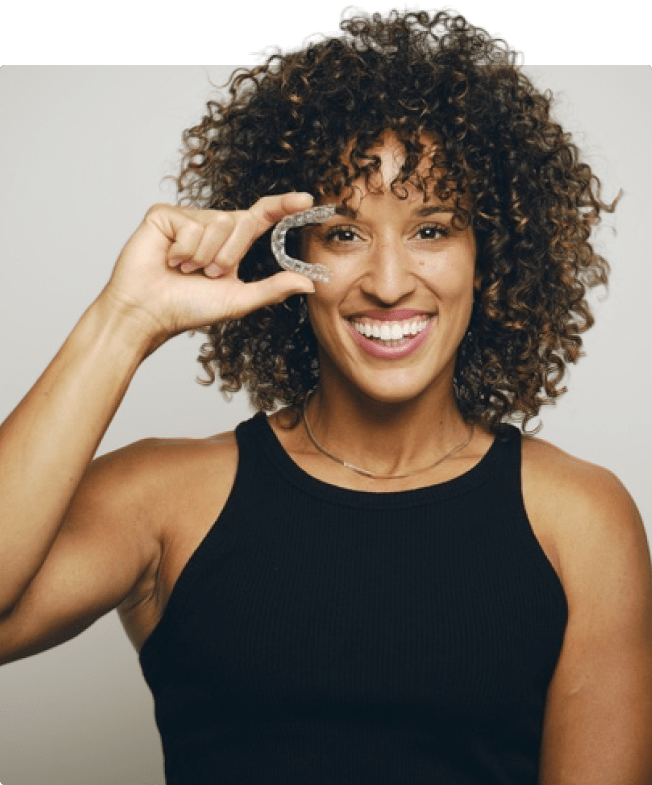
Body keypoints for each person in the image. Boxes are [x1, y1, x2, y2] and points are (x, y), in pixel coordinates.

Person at [1, 17, 651, 785]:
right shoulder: (168, 500)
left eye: (432, 229)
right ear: (292, 253)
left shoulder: (580, 519)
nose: (386, 280)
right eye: (344, 234)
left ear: (490, 256)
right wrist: (125, 319)